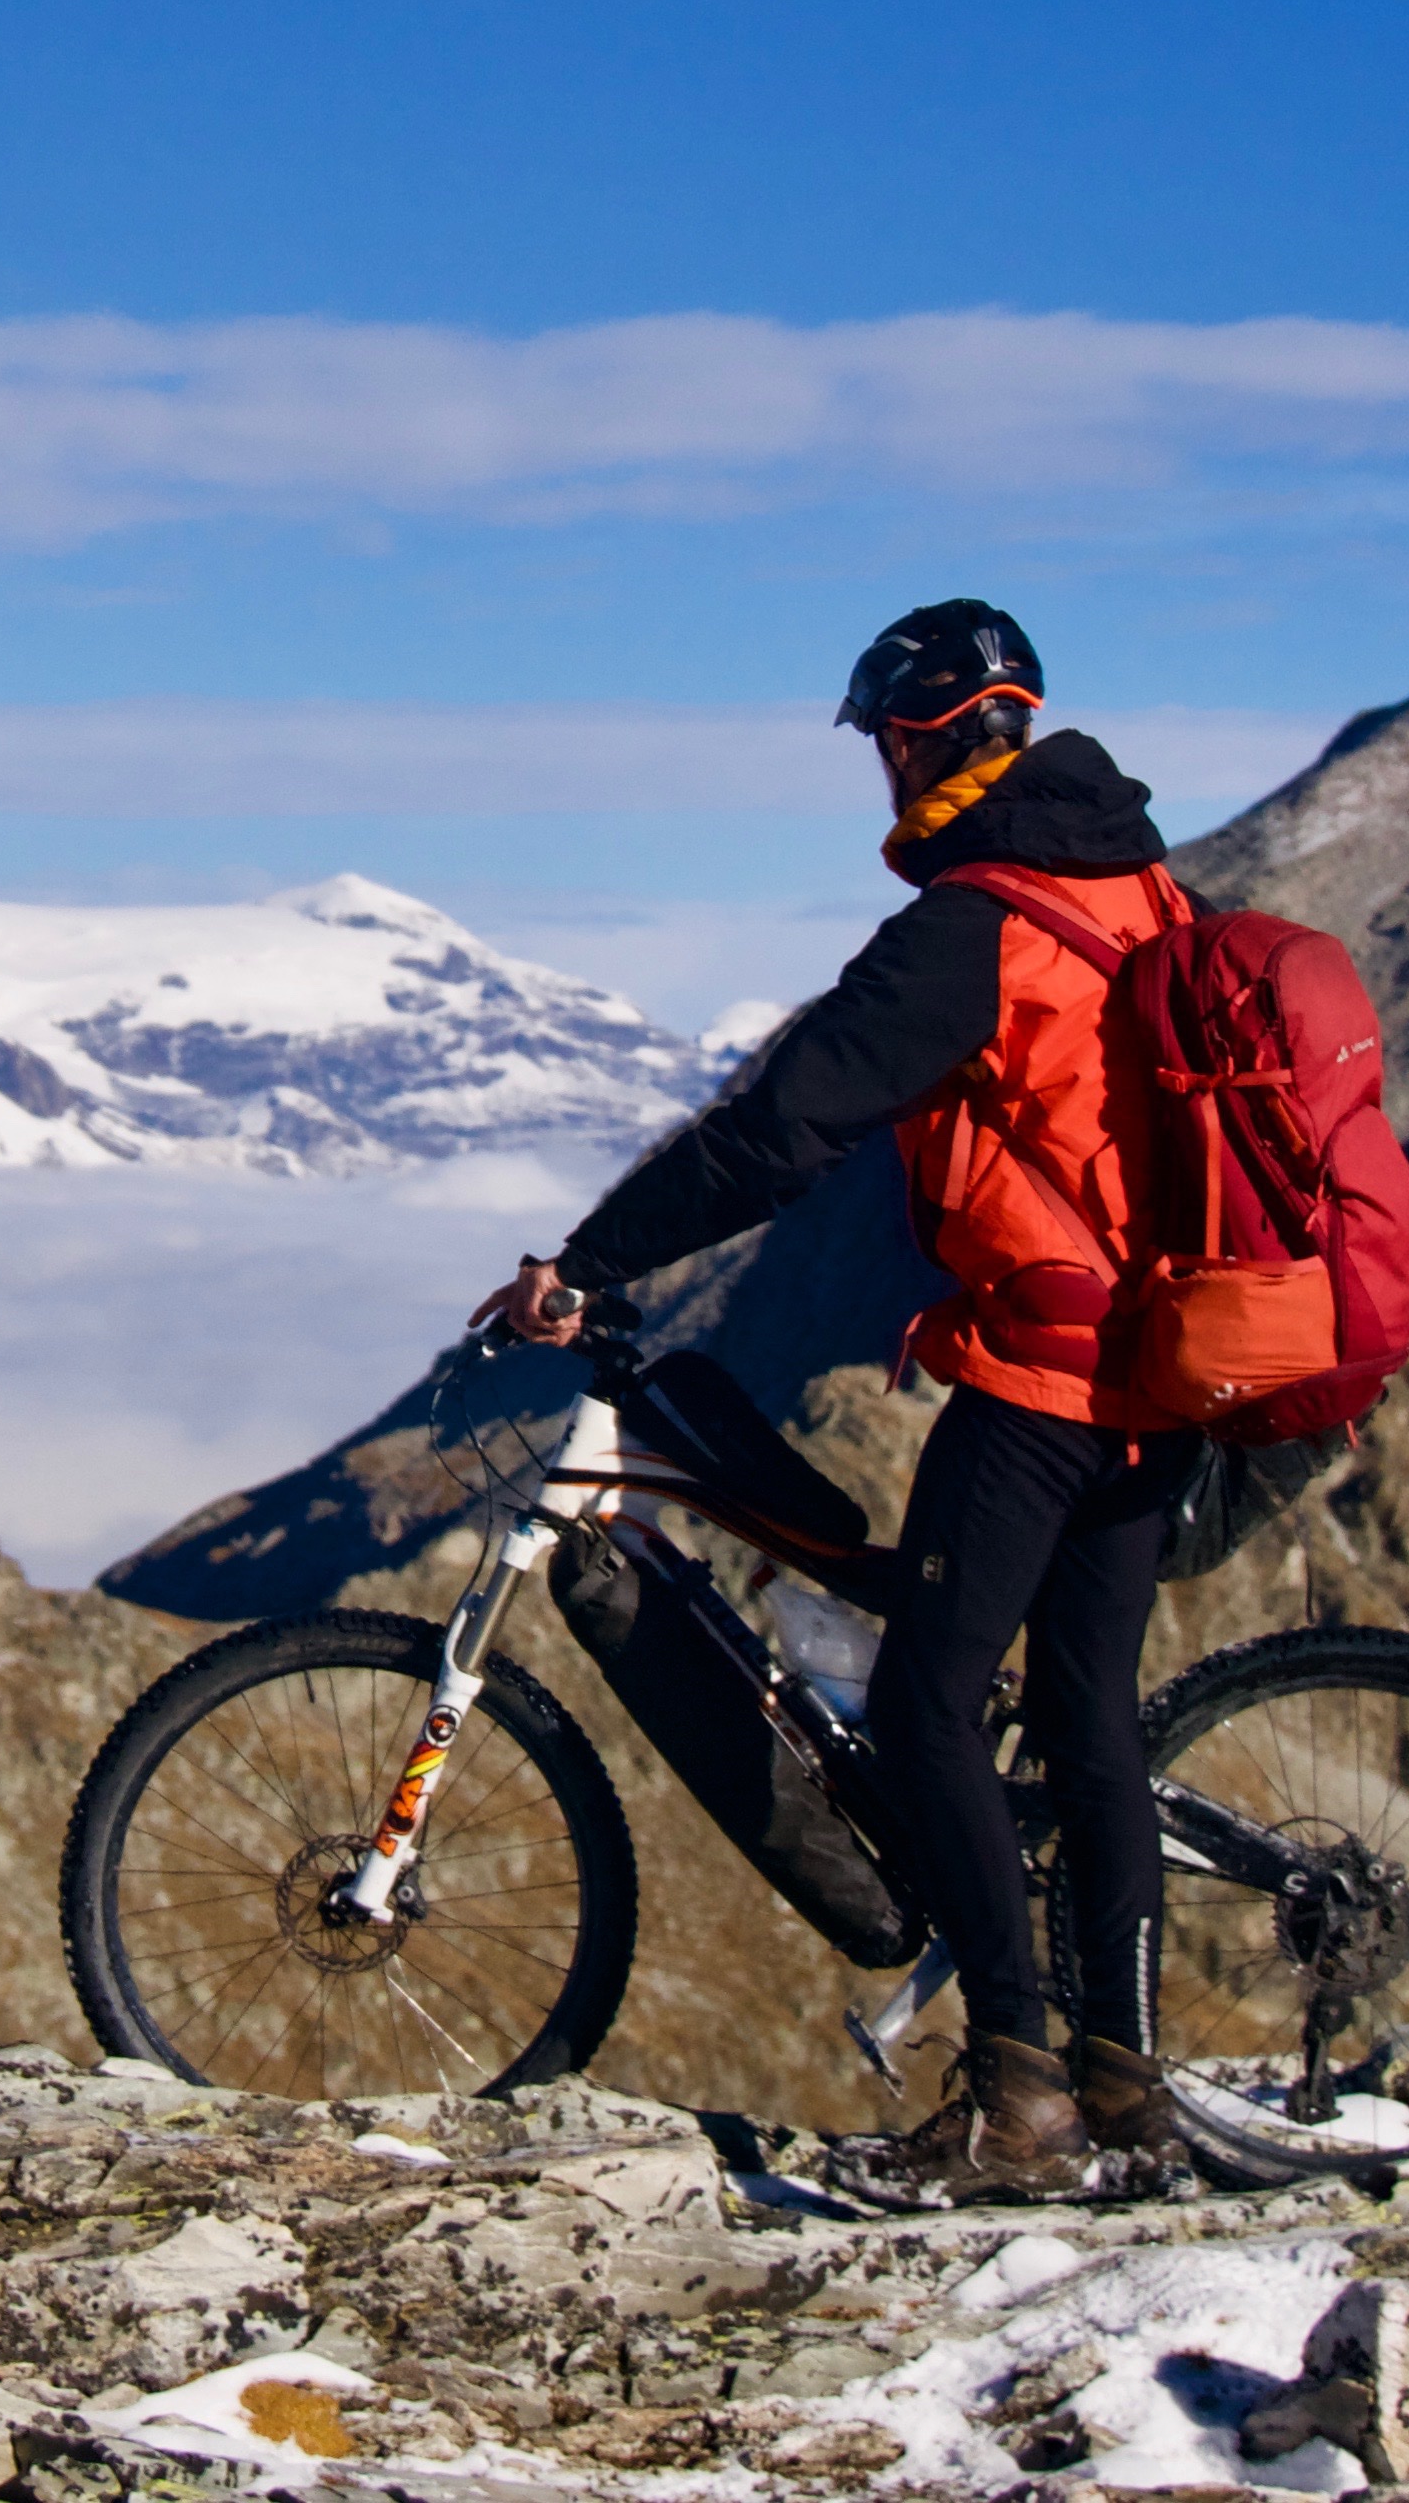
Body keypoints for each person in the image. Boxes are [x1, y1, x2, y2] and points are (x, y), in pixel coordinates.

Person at [474, 596, 1192, 2202]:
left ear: (922, 740)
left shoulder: (978, 922)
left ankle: (1018, 2099)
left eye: (882, 741)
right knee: (1086, 1723)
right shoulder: (1138, 880)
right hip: (1163, 1365)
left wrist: (589, 1260)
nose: (880, 771)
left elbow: (779, 1130)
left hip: (1055, 1381)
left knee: (929, 1708)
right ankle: (1127, 2088)